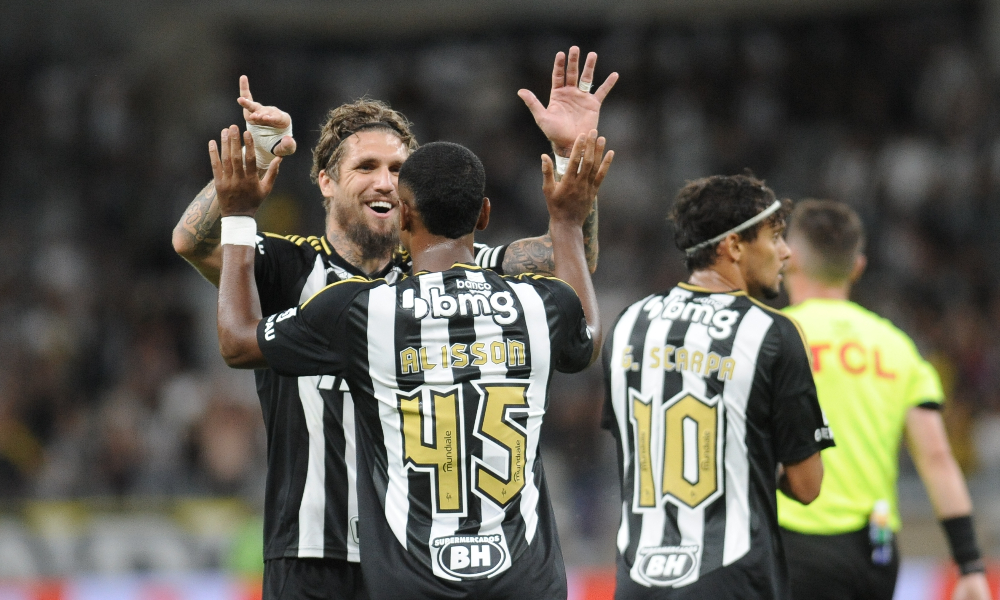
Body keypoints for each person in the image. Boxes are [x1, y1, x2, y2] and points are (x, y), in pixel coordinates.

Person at [171, 48, 615, 599]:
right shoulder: (288, 267)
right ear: (326, 182)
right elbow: (193, 240)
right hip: (316, 549)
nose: (384, 182)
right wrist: (260, 154)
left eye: (397, 170)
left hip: (421, 555)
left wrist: (568, 155)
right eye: (366, 167)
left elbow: (572, 259)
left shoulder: (456, 270)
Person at [602, 174, 834, 599]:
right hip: (730, 577)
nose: (786, 253)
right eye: (775, 236)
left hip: (638, 577)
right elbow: (807, 486)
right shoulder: (774, 332)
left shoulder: (629, 323)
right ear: (733, 247)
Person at [777, 199, 992, 600]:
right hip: (872, 549)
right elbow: (937, 458)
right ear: (857, 266)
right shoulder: (895, 347)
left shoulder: (771, 337)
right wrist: (970, 565)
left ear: (789, 260)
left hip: (790, 546)